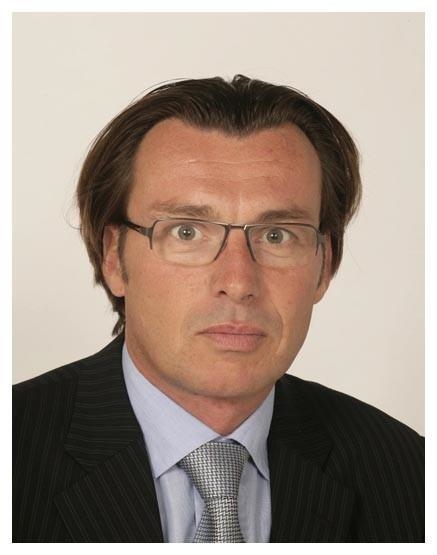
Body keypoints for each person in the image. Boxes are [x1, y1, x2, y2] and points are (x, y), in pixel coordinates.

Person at [13, 75, 424, 543]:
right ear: (114, 258)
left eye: (277, 236)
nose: (238, 282)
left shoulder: (409, 477)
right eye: (186, 231)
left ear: (324, 265)